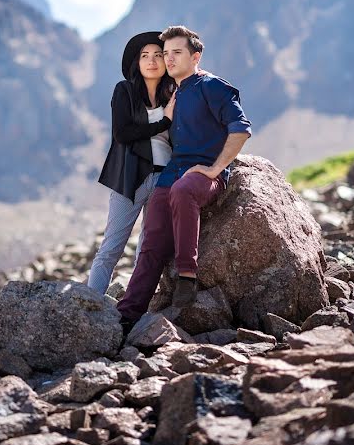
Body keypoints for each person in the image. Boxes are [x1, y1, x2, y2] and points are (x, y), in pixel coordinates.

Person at [116, 25, 251, 333]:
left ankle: (187, 275)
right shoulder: (174, 92)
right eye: (166, 54)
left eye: (177, 52)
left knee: (183, 190)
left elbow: (241, 128)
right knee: (151, 242)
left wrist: (215, 169)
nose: (169, 59)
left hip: (201, 176)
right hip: (173, 173)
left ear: (196, 56)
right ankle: (127, 313)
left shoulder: (212, 86)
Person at [88, 31, 176, 295]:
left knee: (147, 250)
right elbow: (122, 133)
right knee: (111, 248)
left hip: (164, 179)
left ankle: (134, 310)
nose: (151, 61)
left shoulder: (172, 93)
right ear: (136, 63)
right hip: (131, 177)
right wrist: (163, 122)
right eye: (145, 56)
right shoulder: (124, 90)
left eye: (158, 55)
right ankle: (90, 305)